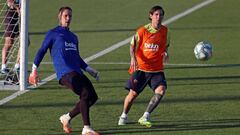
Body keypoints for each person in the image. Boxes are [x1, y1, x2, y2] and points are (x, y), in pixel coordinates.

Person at [28, 6, 101, 135]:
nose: (68, 18)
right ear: (60, 17)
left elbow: (77, 57)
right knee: (84, 93)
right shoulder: (53, 33)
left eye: (70, 16)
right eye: (65, 16)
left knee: (93, 97)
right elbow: (42, 50)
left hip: (77, 72)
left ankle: (66, 117)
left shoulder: (74, 37)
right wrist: (34, 70)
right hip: (65, 73)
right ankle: (86, 128)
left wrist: (90, 70)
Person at [118, 5, 170, 128]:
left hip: (157, 69)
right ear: (151, 16)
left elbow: (165, 45)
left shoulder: (166, 31)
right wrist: (132, 58)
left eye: (161, 15)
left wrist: (166, 53)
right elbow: (132, 46)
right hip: (141, 69)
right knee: (132, 95)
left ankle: (145, 116)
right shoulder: (142, 31)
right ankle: (123, 115)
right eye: (156, 14)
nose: (159, 17)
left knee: (161, 91)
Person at [1, 0, 20, 74]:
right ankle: (3, 67)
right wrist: (17, 8)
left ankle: (17, 66)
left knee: (25, 42)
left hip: (19, 17)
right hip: (11, 17)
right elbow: (9, 2)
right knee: (9, 42)